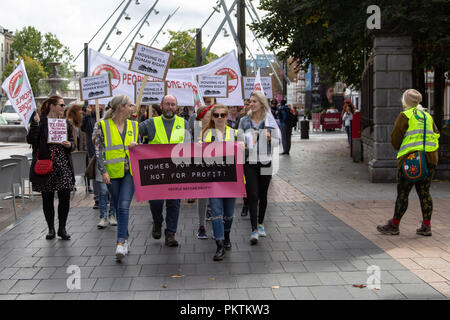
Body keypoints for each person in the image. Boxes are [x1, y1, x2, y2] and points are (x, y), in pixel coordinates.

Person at [377, 89, 440, 237]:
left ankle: (394, 225)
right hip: (430, 158)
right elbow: (436, 134)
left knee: (403, 193)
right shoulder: (427, 116)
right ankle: (426, 226)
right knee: (425, 193)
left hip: (411, 160)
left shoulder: (405, 116)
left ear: (405, 101)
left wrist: (406, 147)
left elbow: (395, 139)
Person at [139, 95, 191, 247]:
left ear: (177, 107)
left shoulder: (184, 123)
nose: (170, 107)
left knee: (174, 203)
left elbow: (188, 144)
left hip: (176, 170)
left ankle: (170, 234)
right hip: (157, 171)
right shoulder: (151, 123)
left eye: (173, 104)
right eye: (167, 104)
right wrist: (135, 142)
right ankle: (157, 220)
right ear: (161, 106)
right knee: (155, 201)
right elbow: (134, 131)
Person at [95, 95, 138, 260]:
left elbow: (138, 146)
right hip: (112, 173)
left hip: (130, 172)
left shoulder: (134, 126)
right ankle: (125, 237)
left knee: (123, 205)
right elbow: (99, 151)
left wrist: (135, 145)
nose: (132, 108)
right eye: (129, 105)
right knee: (118, 204)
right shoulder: (103, 125)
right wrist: (103, 171)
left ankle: (120, 243)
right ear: (121, 107)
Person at [27, 95, 75, 241]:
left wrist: (70, 145)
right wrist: (34, 125)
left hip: (63, 166)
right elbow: (31, 140)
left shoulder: (65, 123)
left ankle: (62, 228)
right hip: (47, 165)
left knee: (65, 196)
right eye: (61, 105)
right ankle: (51, 229)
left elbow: (73, 143)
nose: (63, 107)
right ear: (52, 106)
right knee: (47, 198)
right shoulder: (40, 121)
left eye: (64, 105)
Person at [238, 91, 281, 245]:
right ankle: (254, 229)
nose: (251, 104)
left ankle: (261, 224)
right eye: (250, 101)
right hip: (250, 162)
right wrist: (241, 143)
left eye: (254, 101)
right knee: (253, 194)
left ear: (262, 104)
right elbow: (239, 139)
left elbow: (278, 143)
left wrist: (271, 138)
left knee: (263, 194)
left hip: (265, 161)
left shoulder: (269, 121)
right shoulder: (244, 120)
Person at [202, 104, 240, 260]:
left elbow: (246, 154)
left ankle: (227, 235)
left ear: (227, 116)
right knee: (217, 213)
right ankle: (219, 244)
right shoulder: (205, 134)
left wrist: (243, 146)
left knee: (229, 213)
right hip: (214, 180)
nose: (219, 118)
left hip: (231, 180)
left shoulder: (236, 133)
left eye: (222, 115)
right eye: (216, 115)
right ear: (212, 116)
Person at [188, 105, 213, 239]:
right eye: (207, 116)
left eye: (210, 116)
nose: (209, 119)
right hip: (201, 166)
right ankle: (201, 225)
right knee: (202, 197)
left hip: (215, 167)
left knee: (215, 196)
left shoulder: (216, 129)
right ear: (201, 117)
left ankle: (216, 225)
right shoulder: (197, 129)